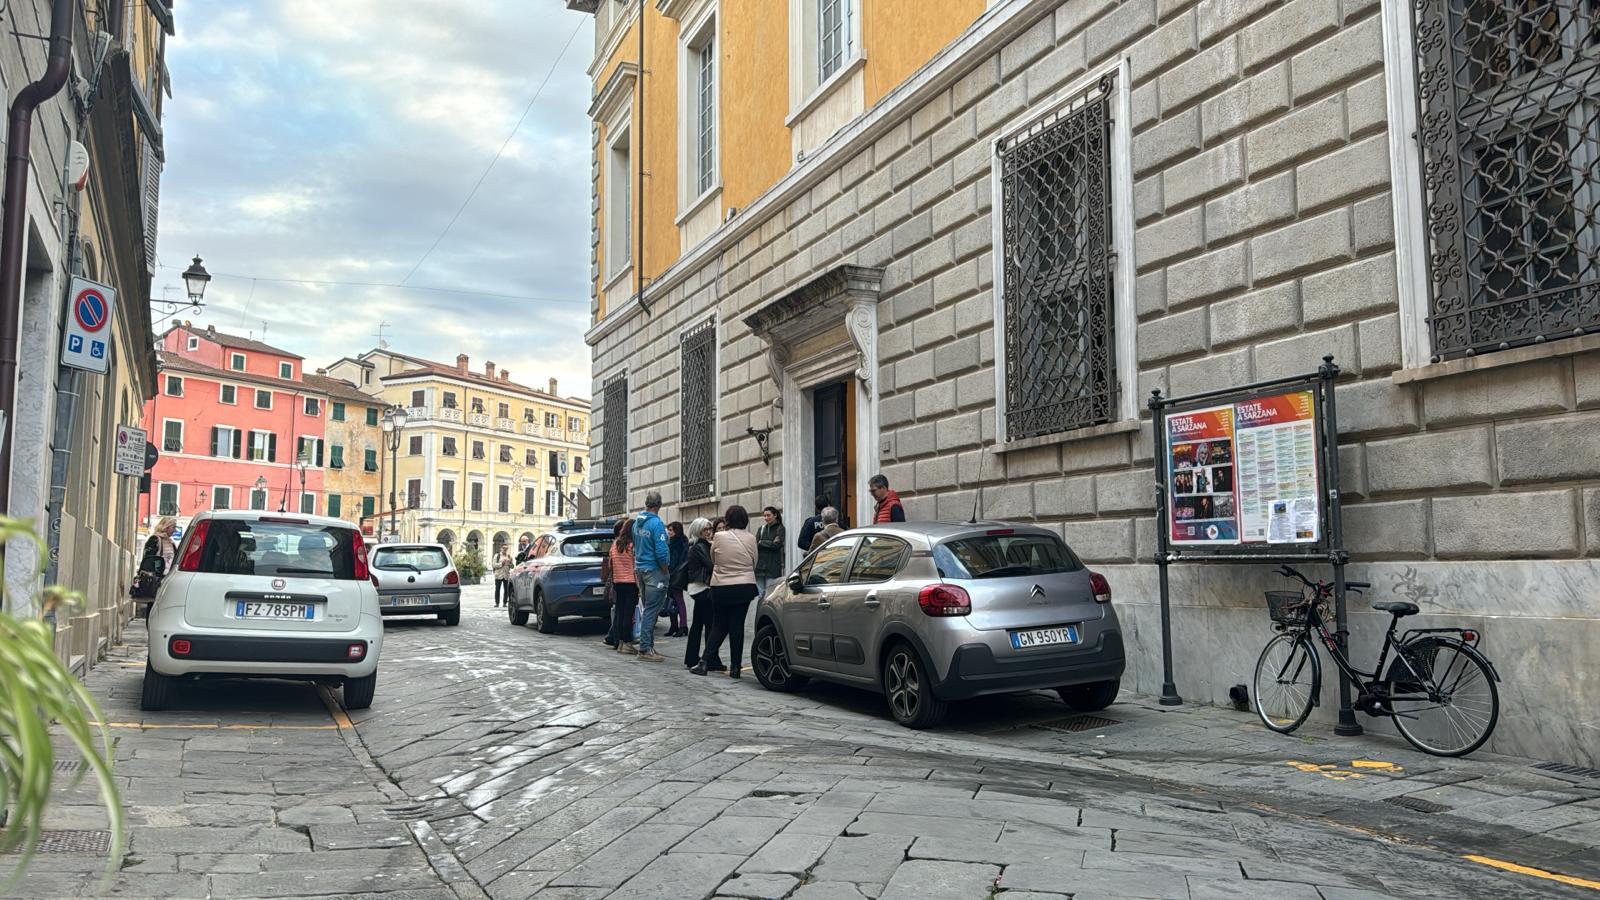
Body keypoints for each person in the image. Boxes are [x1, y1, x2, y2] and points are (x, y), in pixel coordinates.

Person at [692, 505, 758, 679]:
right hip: (744, 586)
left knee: (719, 625)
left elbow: (714, 559)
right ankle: (736, 668)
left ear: (728, 519)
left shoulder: (719, 537)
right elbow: (754, 562)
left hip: (721, 587)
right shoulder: (751, 538)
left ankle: (704, 662)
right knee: (737, 626)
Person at [631, 491, 672, 662]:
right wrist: (665, 570)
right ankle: (645, 648)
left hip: (640, 568)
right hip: (654, 571)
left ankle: (649, 646)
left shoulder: (636, 523)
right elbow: (661, 552)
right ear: (659, 505)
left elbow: (635, 546)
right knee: (651, 611)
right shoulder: (656, 524)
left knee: (648, 608)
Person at [679, 518, 722, 671]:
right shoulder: (700, 546)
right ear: (698, 531)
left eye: (710, 528)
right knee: (711, 625)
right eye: (706, 530)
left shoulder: (698, 545)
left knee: (698, 624)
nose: (709, 532)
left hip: (699, 589)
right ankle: (711, 659)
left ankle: (692, 658)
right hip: (702, 588)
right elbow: (711, 565)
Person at [602, 518, 637, 652]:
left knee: (620, 613)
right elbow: (635, 566)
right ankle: (626, 642)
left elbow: (611, 564)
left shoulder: (615, 544)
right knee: (628, 614)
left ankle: (619, 641)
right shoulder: (631, 545)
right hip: (630, 583)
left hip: (618, 582)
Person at [754, 506, 785, 597]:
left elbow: (777, 545)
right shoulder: (762, 528)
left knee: (770, 595)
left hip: (772, 568)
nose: (766, 518)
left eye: (768, 515)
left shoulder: (780, 528)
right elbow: (755, 544)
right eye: (765, 516)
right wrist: (769, 543)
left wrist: (762, 542)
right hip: (759, 567)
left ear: (775, 515)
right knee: (760, 595)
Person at [665, 521, 689, 637]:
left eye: (671, 530)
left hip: (676, 575)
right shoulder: (674, 542)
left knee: (678, 600)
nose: (668, 532)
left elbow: (675, 561)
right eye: (668, 530)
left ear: (676, 531)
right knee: (672, 600)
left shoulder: (677, 544)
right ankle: (674, 625)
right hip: (673, 575)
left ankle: (682, 626)